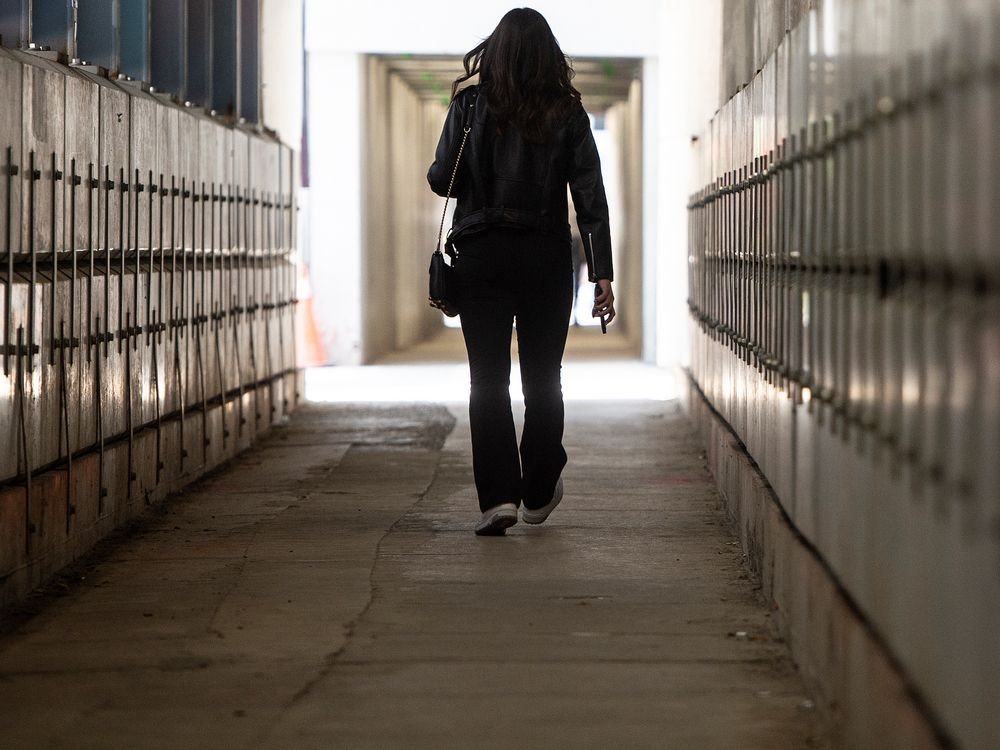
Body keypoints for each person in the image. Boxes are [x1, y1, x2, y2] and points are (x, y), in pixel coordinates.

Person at [427, 7, 616, 536]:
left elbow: (442, 180)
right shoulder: (567, 111)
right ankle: (537, 487)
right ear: (547, 56)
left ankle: (498, 500)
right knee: (542, 378)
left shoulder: (469, 105)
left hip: (482, 255)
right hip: (544, 257)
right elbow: (590, 196)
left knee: (487, 379)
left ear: (496, 52)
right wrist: (601, 273)